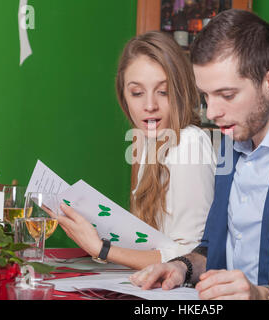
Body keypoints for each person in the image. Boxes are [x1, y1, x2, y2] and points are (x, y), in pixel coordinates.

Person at [129, 9, 269, 300]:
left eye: (227, 95)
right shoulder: (231, 145)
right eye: (206, 96)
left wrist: (262, 295)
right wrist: (181, 266)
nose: (212, 112)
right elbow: (212, 247)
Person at [53, 31, 216, 270]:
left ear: (180, 92)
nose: (149, 105)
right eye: (137, 93)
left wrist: (102, 248)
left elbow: (191, 256)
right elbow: (153, 248)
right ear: (124, 97)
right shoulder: (151, 143)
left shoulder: (189, 142)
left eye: (163, 91)